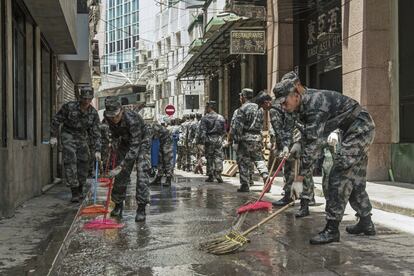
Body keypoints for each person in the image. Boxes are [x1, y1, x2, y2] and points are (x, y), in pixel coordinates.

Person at [274, 78, 376, 244]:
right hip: (352, 129)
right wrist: (299, 143)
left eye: (285, 102)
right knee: (354, 179)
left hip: (360, 129)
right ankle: (366, 222)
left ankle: (332, 229)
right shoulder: (304, 104)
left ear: (295, 94)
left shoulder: (315, 104)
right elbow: (310, 134)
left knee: (337, 176)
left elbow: (314, 146)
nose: (284, 107)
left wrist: (299, 179)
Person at [50, 86, 101, 203]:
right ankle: (74, 191)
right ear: (80, 97)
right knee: (71, 158)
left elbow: (96, 133)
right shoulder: (69, 107)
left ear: (91, 98)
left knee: (84, 160)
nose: (86, 101)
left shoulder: (93, 113)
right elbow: (56, 120)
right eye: (84, 98)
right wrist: (54, 136)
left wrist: (97, 150)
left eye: (89, 99)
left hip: (82, 136)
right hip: (68, 134)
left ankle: (80, 188)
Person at [104, 97, 150, 222]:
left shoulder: (132, 119)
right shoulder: (108, 116)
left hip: (141, 143)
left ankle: (141, 208)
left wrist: (120, 166)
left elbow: (135, 147)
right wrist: (113, 141)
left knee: (141, 173)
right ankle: (118, 205)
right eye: (111, 116)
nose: (114, 119)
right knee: (121, 176)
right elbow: (113, 132)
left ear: (121, 111)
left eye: (116, 115)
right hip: (124, 142)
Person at [232, 88, 269, 192]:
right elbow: (262, 124)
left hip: (245, 139)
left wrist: (236, 141)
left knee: (243, 161)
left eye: (240, 96)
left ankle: (245, 184)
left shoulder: (242, 109)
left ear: (243, 97)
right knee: (259, 159)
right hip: (257, 138)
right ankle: (265, 175)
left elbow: (238, 127)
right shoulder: (259, 108)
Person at [197, 101, 226, 183]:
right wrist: (221, 139)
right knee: (218, 157)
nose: (205, 109)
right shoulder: (221, 117)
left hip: (209, 139)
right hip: (218, 139)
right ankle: (218, 173)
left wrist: (201, 143)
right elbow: (224, 130)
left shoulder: (205, 118)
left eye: (206, 107)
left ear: (210, 107)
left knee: (209, 157)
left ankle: (210, 175)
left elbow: (202, 132)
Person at [148, 122, 174, 186]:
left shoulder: (150, 128)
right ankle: (158, 178)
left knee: (167, 159)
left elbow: (148, 143)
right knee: (160, 159)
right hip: (161, 140)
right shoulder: (148, 128)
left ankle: (168, 179)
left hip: (167, 139)